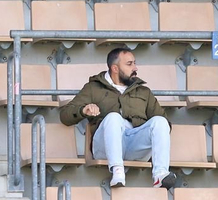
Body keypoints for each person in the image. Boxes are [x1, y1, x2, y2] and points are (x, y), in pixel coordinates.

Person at [58, 47, 176, 189]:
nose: (135, 68)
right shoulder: (93, 88)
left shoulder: (144, 91)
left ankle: (160, 175)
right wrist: (83, 110)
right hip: (104, 146)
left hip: (134, 145)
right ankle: (117, 171)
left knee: (160, 122)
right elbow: (65, 115)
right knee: (113, 117)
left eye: (134, 63)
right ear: (115, 68)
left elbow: (164, 124)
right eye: (129, 64)